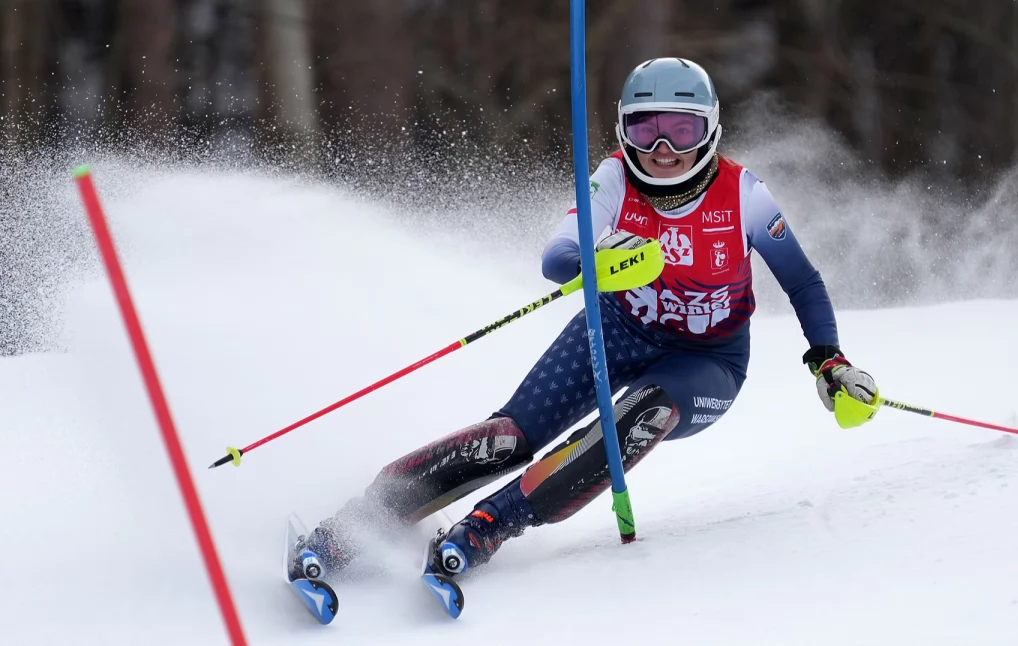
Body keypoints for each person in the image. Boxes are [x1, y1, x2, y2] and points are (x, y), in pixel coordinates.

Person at [292, 57, 878, 581]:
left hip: (706, 361)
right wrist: (597, 258)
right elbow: (557, 257)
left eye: (682, 128)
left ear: (710, 130)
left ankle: (489, 525)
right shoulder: (614, 178)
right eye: (646, 129)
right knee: (507, 439)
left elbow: (802, 280)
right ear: (626, 131)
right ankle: (355, 525)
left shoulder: (744, 195)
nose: (664, 148)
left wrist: (828, 358)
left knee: (635, 417)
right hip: (616, 328)